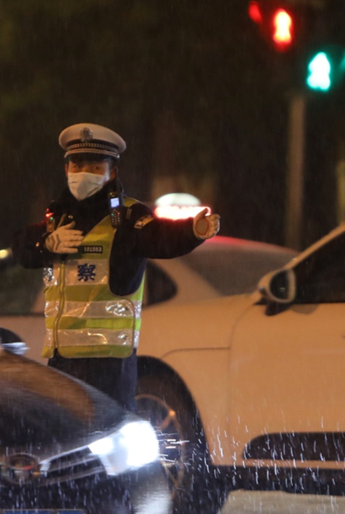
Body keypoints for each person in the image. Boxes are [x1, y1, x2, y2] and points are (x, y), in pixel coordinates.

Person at [11, 123, 220, 410]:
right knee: (64, 435)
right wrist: (45, 244)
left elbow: (160, 237)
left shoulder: (128, 219)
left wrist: (192, 230)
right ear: (66, 169)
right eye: (77, 165)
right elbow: (21, 247)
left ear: (112, 172)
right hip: (62, 362)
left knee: (110, 435)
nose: (84, 173)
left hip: (109, 367)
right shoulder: (56, 221)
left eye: (95, 167)